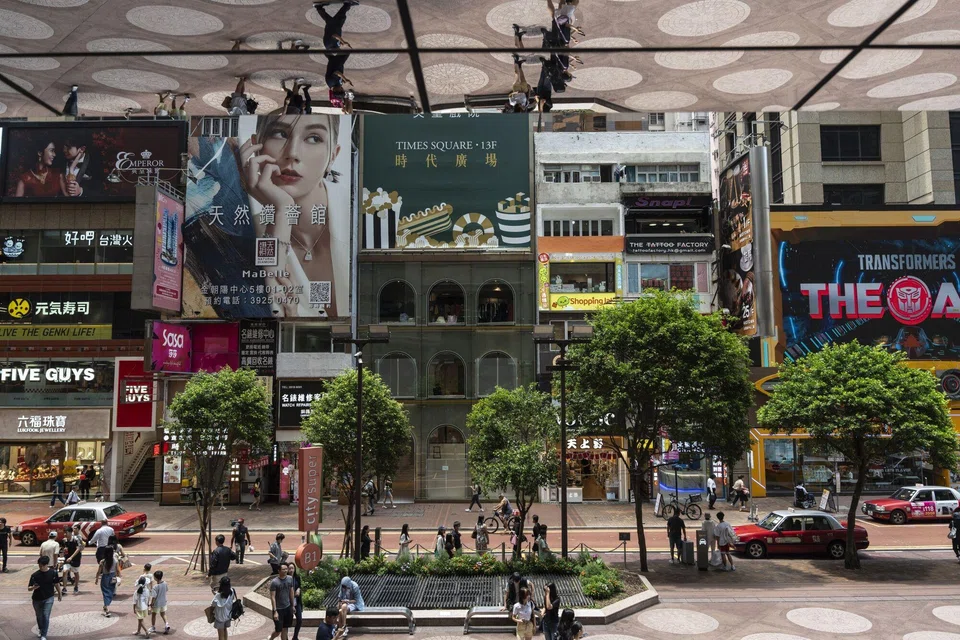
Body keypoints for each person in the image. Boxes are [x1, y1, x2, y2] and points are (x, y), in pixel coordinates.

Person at [29, 556, 61, 640]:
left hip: (49, 597)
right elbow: (29, 588)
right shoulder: (35, 575)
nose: (40, 567)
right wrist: (33, 588)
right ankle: (41, 629)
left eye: (42, 565)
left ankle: (43, 634)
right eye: (39, 565)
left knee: (45, 616)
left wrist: (59, 594)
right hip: (37, 598)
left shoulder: (53, 573)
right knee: (39, 616)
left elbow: (56, 584)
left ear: (46, 565)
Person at [269, 563, 295, 640]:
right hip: (279, 610)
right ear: (279, 570)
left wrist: (292, 605)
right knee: (278, 631)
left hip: (287, 607)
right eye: (283, 569)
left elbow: (291, 591)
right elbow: (272, 597)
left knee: (285, 629)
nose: (285, 571)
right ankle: (271, 638)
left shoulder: (290, 579)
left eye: (286, 569)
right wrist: (275, 611)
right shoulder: (274, 582)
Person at [94, 545, 121, 617]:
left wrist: (96, 579)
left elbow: (99, 571)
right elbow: (118, 570)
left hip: (105, 578)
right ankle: (106, 606)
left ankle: (106, 607)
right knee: (110, 592)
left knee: (105, 592)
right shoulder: (115, 560)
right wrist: (119, 578)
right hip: (112, 577)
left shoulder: (102, 561)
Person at [212, 575, 236, 640]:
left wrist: (214, 594)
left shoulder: (218, 595)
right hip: (228, 615)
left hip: (220, 617)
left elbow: (213, 604)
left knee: (220, 635)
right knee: (225, 630)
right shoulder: (232, 591)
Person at [148, 570, 170, 635]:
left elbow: (154, 597)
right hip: (163, 602)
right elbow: (166, 590)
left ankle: (153, 627)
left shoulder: (155, 587)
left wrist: (151, 604)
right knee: (163, 614)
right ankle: (167, 624)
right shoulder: (165, 583)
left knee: (154, 615)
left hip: (157, 603)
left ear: (156, 578)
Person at [62, 527, 82, 593]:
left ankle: (76, 587)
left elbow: (78, 549)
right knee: (65, 571)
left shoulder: (76, 540)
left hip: (75, 558)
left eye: (66, 533)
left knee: (75, 573)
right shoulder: (64, 540)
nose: (65, 534)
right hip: (67, 558)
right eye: (64, 533)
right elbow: (63, 549)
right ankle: (64, 588)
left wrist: (71, 557)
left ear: (70, 533)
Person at [289, 563, 305, 640]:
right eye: (290, 568)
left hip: (297, 602)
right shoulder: (286, 579)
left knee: (299, 620)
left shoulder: (297, 577)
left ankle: (295, 636)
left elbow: (299, 586)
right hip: (288, 603)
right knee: (288, 622)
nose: (291, 570)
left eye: (293, 568)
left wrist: (299, 589)